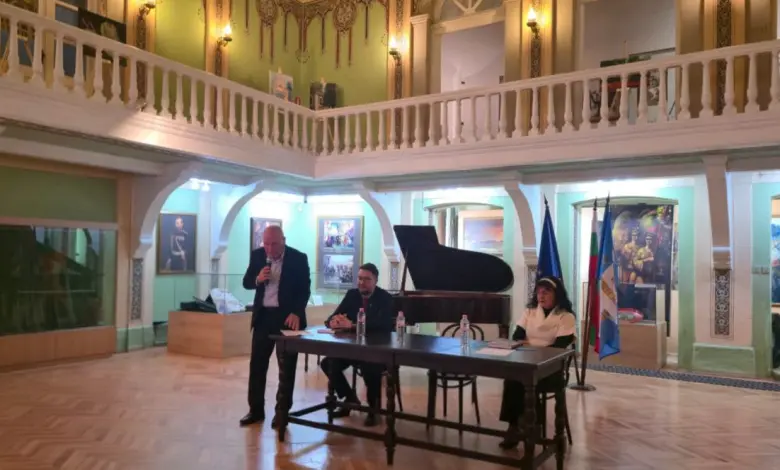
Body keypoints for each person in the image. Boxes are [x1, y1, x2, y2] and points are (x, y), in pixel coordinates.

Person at [239, 225, 311, 429]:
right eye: (266, 244)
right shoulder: (258, 256)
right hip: (263, 317)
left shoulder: (298, 258)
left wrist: (296, 312)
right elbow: (246, 282)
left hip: (287, 319)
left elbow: (304, 290)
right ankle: (255, 410)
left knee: (286, 368)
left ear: (283, 241)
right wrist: (258, 279)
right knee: (257, 365)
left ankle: (281, 412)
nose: (269, 249)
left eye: (274, 244)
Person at [498, 276, 576, 449]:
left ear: (556, 294)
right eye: (539, 292)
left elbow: (559, 347)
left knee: (525, 382)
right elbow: (517, 337)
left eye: (546, 292)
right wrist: (534, 346)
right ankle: (515, 426)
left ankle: (531, 426)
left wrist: (530, 345)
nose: (541, 295)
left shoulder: (566, 316)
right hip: (528, 363)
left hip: (552, 369)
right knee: (512, 379)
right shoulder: (530, 312)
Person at [321, 263, 395, 427]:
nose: (362, 283)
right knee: (328, 363)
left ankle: (374, 410)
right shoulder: (352, 295)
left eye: (366, 279)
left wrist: (352, 325)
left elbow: (383, 326)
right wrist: (333, 322)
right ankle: (350, 398)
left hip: (378, 351)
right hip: (353, 349)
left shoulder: (385, 298)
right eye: (360, 278)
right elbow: (333, 316)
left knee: (370, 368)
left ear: (375, 280)